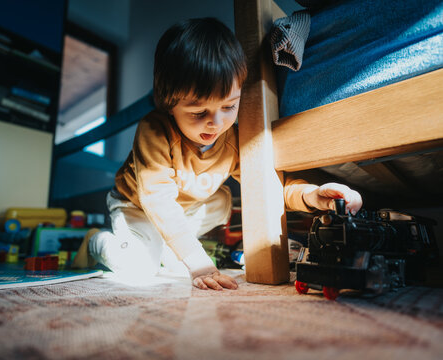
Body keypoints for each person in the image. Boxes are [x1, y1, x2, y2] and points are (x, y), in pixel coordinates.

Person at [72, 18, 362, 291]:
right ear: (168, 103)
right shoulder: (154, 129)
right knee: (140, 270)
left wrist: (311, 195)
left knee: (220, 203)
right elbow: (157, 199)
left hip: (186, 209)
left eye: (229, 107)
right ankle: (95, 241)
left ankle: (170, 246)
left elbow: (267, 185)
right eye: (199, 112)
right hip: (136, 205)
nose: (216, 122)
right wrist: (197, 262)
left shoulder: (233, 139)